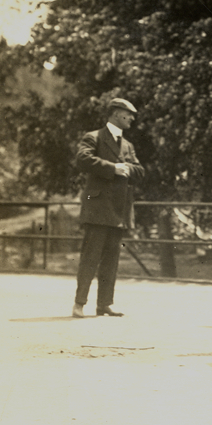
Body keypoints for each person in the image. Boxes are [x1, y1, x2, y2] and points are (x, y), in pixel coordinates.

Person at [71, 98, 145, 318]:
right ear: (115, 114)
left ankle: (105, 304)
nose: (131, 118)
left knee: (112, 259)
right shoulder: (93, 137)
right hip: (98, 208)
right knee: (90, 258)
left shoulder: (127, 145)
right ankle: (79, 304)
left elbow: (140, 170)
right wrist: (113, 168)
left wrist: (127, 169)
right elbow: (83, 159)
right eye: (128, 114)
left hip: (119, 210)